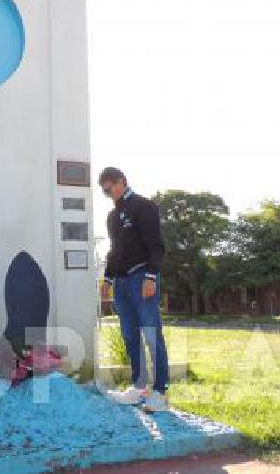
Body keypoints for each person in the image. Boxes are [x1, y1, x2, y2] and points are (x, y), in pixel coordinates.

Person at [99, 167, 170, 412]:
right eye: (104, 190)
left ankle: (160, 393)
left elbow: (156, 246)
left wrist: (151, 275)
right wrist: (107, 279)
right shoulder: (111, 217)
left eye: (110, 187)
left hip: (142, 277)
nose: (107, 193)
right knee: (130, 336)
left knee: (151, 334)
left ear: (122, 182)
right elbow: (114, 251)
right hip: (121, 282)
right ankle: (139, 387)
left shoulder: (144, 207)